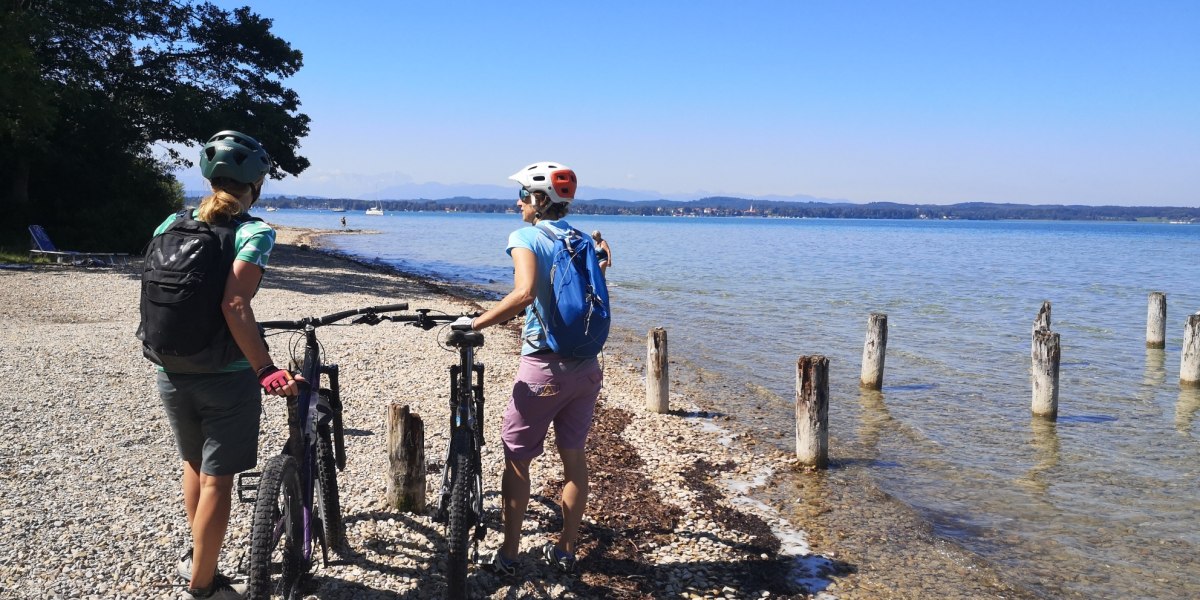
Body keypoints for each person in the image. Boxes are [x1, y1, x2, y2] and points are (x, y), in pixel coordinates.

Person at [152, 131, 301, 600]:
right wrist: (265, 368)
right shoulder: (254, 231)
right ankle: (203, 585)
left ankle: (197, 557)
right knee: (219, 477)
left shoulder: (169, 224)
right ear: (255, 184)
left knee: (193, 465)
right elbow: (235, 304)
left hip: (171, 368)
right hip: (225, 376)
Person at [465, 161, 604, 575]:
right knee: (574, 459)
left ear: (539, 201)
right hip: (587, 369)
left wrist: (473, 323)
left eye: (524, 194)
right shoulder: (582, 239)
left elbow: (524, 293)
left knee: (516, 460)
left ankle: (509, 555)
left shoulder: (526, 236)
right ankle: (564, 550)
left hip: (544, 367)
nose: (518, 201)